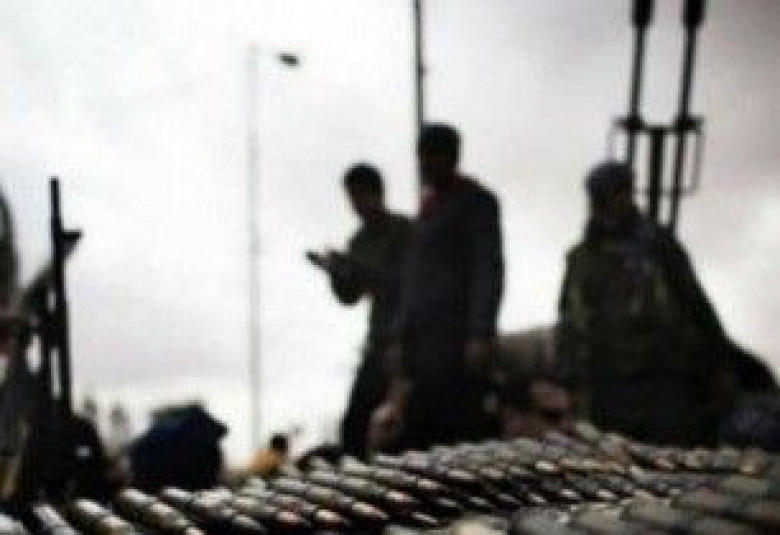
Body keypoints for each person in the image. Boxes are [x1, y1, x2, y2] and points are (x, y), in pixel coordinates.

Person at [557, 160, 733, 446]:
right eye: (602, 198)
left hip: (663, 378)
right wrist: (569, 380)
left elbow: (694, 304)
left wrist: (719, 364)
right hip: (608, 383)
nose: (609, 205)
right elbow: (569, 322)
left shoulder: (658, 247)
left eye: (616, 194)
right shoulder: (582, 258)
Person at [370, 123, 505, 451]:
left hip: (456, 339)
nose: (425, 164)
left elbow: (487, 269)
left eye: (433, 156)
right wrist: (399, 335)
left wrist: (480, 332)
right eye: (422, 156)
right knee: (420, 433)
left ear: (451, 157)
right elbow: (412, 281)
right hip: (421, 345)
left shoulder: (475, 202)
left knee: (457, 432)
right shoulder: (428, 212)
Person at [308, 163, 411, 459]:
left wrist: (354, 267)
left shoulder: (403, 230)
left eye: (360, 196)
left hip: (410, 341)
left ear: (377, 193)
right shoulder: (359, 240)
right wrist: (334, 271)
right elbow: (350, 296)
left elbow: (403, 283)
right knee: (354, 424)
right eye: (351, 197)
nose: (355, 204)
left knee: (406, 427)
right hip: (378, 341)